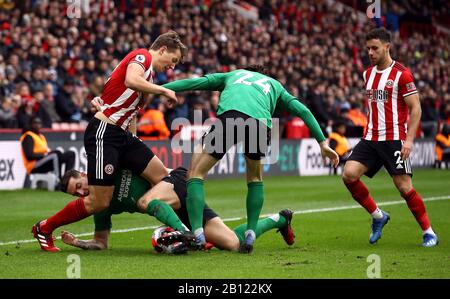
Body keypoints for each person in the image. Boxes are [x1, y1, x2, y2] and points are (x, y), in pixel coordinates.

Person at [31, 31, 189, 250]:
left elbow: (128, 108)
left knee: (164, 178)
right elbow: (130, 80)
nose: (172, 67)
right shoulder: (142, 56)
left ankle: (185, 232)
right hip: (104, 133)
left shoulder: (149, 76)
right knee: (100, 201)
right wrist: (163, 91)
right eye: (173, 61)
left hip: (122, 135)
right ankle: (44, 228)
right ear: (162, 50)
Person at [162, 65, 339, 253]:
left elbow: (197, 82)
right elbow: (303, 111)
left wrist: (161, 87)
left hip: (230, 118)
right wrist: (322, 143)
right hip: (260, 125)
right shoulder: (274, 85)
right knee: (255, 179)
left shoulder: (233, 75)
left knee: (196, 174)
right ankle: (251, 234)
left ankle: (197, 234)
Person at [341, 28, 438, 247]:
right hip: (370, 138)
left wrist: (410, 140)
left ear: (387, 47)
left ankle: (429, 232)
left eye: (375, 48)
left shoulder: (402, 74)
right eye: (368, 49)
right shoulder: (367, 74)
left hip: (394, 139)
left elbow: (416, 109)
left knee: (404, 188)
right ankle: (378, 216)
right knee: (349, 175)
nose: (370, 53)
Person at [56, 167, 295, 253]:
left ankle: (183, 233)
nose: (79, 193)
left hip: (177, 184)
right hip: (172, 207)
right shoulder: (101, 205)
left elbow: (129, 138)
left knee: (145, 202)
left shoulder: (110, 167)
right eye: (74, 194)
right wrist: (78, 243)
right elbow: (101, 242)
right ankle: (279, 219)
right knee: (234, 244)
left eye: (78, 186)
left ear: (85, 174)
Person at [20, 116, 75, 181]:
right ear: (31, 124)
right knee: (56, 154)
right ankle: (58, 181)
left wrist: (47, 154)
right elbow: (29, 156)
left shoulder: (41, 136)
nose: (38, 125)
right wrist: (45, 155)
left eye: (40, 123)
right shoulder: (28, 136)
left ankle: (67, 181)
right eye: (35, 123)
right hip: (33, 165)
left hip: (43, 161)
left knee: (70, 154)